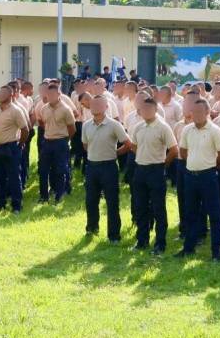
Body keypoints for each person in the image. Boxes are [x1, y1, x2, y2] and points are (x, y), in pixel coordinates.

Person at [177, 98, 220, 261]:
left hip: (208, 177)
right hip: (191, 176)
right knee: (190, 213)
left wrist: (208, 167)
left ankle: (216, 251)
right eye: (194, 112)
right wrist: (194, 163)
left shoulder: (215, 130)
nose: (197, 115)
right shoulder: (187, 130)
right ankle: (189, 248)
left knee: (214, 214)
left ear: (207, 112)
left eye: (200, 112)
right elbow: (184, 152)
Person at [128, 97, 179, 253]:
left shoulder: (163, 127)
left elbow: (174, 149)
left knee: (158, 208)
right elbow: (134, 146)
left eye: (149, 109)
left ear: (155, 110)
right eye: (143, 110)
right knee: (140, 207)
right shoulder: (138, 127)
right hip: (140, 170)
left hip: (156, 170)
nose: (145, 112)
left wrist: (163, 164)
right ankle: (142, 240)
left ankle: (160, 243)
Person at [82, 95, 130, 241]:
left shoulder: (114, 125)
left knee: (112, 202)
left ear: (106, 107)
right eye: (93, 104)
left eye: (99, 104)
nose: (95, 107)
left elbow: (127, 144)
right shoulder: (86, 125)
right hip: (91, 167)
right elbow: (85, 145)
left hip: (108, 166)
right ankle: (92, 228)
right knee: (91, 200)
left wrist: (115, 154)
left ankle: (114, 235)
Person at [0, 85, 30, 213]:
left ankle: (16, 206)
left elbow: (25, 129)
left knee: (13, 178)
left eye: (3, 93)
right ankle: (0, 204)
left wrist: (20, 144)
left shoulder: (16, 110)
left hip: (11, 147)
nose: (0, 95)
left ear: (11, 95)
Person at [36, 83, 76, 204]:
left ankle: (59, 196)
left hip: (61, 142)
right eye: (48, 94)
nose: (50, 96)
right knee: (43, 170)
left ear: (59, 94)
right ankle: (43, 196)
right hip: (47, 141)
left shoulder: (66, 109)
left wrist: (65, 139)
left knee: (60, 170)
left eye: (53, 94)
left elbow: (72, 128)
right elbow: (43, 123)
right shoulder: (44, 108)